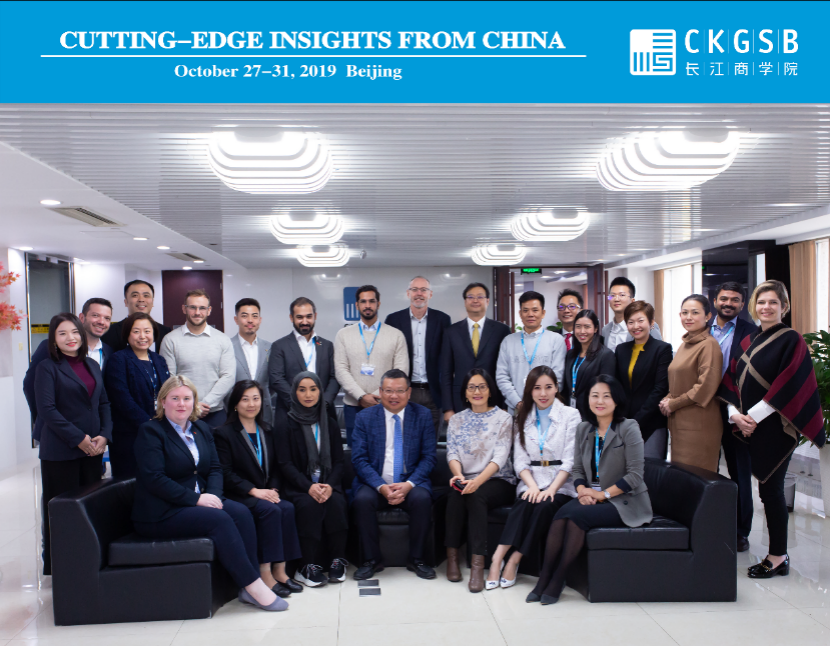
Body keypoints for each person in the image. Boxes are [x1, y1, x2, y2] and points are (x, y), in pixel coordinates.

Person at [132, 375, 288, 611]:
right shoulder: (151, 431)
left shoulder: (201, 429)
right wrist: (196, 499)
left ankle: (248, 584)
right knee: (219, 519)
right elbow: (154, 479)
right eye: (175, 398)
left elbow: (215, 468)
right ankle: (253, 586)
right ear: (163, 401)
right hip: (162, 511)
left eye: (187, 398)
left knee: (241, 512)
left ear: (194, 402)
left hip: (198, 501)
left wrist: (213, 496)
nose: (181, 404)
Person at [719, 280, 825, 579]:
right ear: (755, 306)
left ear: (784, 307)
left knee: (771, 490)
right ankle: (777, 554)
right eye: (762, 302)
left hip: (776, 427)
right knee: (763, 490)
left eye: (773, 303)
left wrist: (752, 417)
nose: (766, 307)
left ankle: (777, 557)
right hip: (747, 425)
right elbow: (730, 382)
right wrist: (735, 415)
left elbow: (790, 384)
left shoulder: (792, 340)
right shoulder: (748, 340)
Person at [528, 375, 652, 604]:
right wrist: (583, 490)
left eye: (606, 396)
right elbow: (577, 469)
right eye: (595, 396)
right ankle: (544, 578)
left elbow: (635, 475)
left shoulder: (629, 427)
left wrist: (602, 494)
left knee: (576, 518)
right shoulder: (584, 428)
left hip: (623, 500)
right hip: (590, 495)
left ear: (616, 400)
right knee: (561, 516)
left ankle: (558, 579)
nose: (600, 401)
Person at [487, 366, 581, 591]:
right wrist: (532, 486)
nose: (543, 393)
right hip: (532, 480)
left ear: (556, 388)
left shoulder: (571, 415)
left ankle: (514, 559)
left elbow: (570, 460)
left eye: (548, 387)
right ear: (530, 391)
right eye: (537, 388)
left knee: (544, 505)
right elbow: (520, 461)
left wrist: (551, 490)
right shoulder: (523, 416)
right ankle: (497, 558)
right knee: (524, 503)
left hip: (561, 483)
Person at [34, 312, 112, 575]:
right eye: (62, 333)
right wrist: (78, 439)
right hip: (60, 451)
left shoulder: (92, 365)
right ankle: (60, 568)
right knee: (62, 512)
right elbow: (47, 410)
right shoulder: (47, 367)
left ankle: (86, 563)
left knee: (88, 508)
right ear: (53, 339)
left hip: (92, 450)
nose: (71, 338)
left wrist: (105, 434)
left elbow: (103, 403)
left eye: (75, 332)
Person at [213, 380, 302, 598]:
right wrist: (254, 491)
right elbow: (225, 473)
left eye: (256, 399)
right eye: (245, 399)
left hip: (265, 491)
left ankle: (281, 571)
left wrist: (274, 489)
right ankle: (264, 574)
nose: (251, 404)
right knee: (269, 510)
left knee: (287, 507)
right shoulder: (224, 433)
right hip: (240, 494)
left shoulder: (267, 430)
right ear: (235, 403)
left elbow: (277, 467)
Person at [350, 369, 437, 581]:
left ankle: (417, 559)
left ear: (409, 392)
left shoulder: (423, 415)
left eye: (400, 391)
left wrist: (409, 484)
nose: (394, 396)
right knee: (362, 500)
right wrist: (381, 486)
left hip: (410, 482)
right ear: (380, 392)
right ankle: (371, 560)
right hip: (375, 484)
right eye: (388, 391)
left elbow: (429, 457)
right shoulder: (364, 417)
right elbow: (359, 459)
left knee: (422, 499)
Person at [276, 372, 349, 587]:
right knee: (309, 506)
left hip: (327, 483)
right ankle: (306, 566)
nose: (308, 395)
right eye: (302, 389)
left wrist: (330, 486)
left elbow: (339, 461)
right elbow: (285, 464)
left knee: (336, 502)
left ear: (320, 392)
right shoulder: (285, 423)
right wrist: (309, 487)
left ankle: (337, 561)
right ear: (294, 393)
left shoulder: (330, 422)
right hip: (299, 486)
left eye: (313, 389)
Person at [444, 369, 515, 592]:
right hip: (466, 478)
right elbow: (452, 452)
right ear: (465, 393)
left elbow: (500, 457)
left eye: (482, 386)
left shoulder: (503, 418)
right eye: (472, 387)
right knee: (455, 495)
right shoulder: (456, 420)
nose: (477, 391)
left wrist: (477, 481)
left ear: (490, 391)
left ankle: (477, 565)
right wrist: (458, 475)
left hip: (498, 479)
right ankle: (452, 557)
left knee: (476, 496)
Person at [710, 282, 758, 553]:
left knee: (739, 471)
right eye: (724, 298)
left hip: (736, 411)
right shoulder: (701, 329)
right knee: (706, 468)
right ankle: (709, 523)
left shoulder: (752, 333)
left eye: (735, 299)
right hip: (704, 409)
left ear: (742, 304)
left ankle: (740, 530)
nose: (728, 303)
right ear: (715, 300)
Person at [334, 285, 409, 446]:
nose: (367, 305)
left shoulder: (396, 335)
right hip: (353, 406)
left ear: (378, 304)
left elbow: (401, 371)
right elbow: (340, 369)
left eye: (371, 301)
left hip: (386, 405)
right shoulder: (343, 335)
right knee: (357, 453)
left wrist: (377, 397)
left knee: (386, 451)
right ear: (357, 305)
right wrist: (361, 396)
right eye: (363, 301)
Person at [24, 298, 114, 430]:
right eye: (95, 315)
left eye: (107, 318)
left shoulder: (109, 351)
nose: (101, 321)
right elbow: (29, 385)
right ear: (82, 317)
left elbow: (102, 398)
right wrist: (42, 419)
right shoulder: (49, 348)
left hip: (92, 430)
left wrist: (104, 431)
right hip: (55, 430)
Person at [659, 295, 723, 471]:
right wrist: (667, 398)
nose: (688, 317)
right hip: (680, 422)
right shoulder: (685, 344)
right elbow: (679, 381)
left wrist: (673, 403)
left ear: (708, 316)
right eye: (684, 313)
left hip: (699, 425)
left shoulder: (709, 345)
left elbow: (705, 386)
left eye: (695, 313)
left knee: (697, 476)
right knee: (682, 477)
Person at [104, 312, 171, 479]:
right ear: (127, 334)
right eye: (136, 331)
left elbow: (167, 392)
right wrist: (149, 423)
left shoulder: (159, 360)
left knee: (157, 478)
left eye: (147, 331)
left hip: (159, 431)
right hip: (129, 435)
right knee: (130, 482)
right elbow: (122, 399)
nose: (142, 336)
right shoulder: (118, 359)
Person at [160, 289, 235, 428]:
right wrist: (191, 405)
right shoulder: (170, 340)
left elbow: (228, 376)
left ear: (209, 310)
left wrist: (205, 403)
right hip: (181, 413)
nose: (197, 312)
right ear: (184, 309)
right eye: (192, 307)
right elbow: (169, 379)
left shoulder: (223, 340)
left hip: (214, 413)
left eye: (202, 308)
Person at [384, 276, 452, 432]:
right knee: (405, 437)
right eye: (415, 289)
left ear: (430, 294)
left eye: (423, 290)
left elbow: (447, 358)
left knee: (431, 441)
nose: (419, 293)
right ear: (408, 293)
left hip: (434, 392)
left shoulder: (442, 320)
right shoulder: (393, 320)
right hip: (405, 391)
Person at [440, 282, 512, 418]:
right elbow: (446, 373)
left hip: (494, 400)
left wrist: (504, 405)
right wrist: (448, 408)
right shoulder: (451, 332)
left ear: (487, 301)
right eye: (470, 297)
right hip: (460, 401)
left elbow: (507, 371)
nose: (475, 300)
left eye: (480, 297)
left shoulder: (501, 330)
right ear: (465, 302)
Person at [614, 301, 673, 460]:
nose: (636, 326)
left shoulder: (662, 349)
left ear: (651, 322)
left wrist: (636, 421)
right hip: (624, 422)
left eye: (641, 321)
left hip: (652, 422)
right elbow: (617, 386)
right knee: (624, 469)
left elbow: (660, 389)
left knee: (650, 469)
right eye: (631, 322)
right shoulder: (621, 350)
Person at [496, 291, 566, 414]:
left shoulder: (556, 340)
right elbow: (502, 377)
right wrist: (518, 402)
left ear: (543, 313)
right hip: (516, 410)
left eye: (535, 310)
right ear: (520, 313)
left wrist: (541, 402)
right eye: (525, 310)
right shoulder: (508, 341)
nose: (530, 314)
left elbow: (558, 377)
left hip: (547, 409)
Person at [269, 296, 339, 412]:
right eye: (299, 317)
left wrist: (324, 403)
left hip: (323, 412)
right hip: (291, 411)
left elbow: (334, 378)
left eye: (309, 316)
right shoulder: (279, 346)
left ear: (315, 316)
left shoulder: (327, 346)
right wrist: (298, 403)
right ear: (291, 318)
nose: (305, 322)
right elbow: (276, 379)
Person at [227, 298, 275, 427]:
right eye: (244, 316)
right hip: (235, 413)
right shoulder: (227, 347)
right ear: (236, 319)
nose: (250, 320)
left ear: (260, 320)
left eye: (254, 316)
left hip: (264, 413)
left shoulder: (270, 348)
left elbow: (273, 382)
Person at [562, 310, 616, 421]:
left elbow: (606, 391)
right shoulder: (571, 354)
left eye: (587, 327)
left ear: (596, 329)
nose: (582, 331)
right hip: (570, 414)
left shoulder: (606, 355)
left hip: (592, 415)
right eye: (578, 327)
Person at [102, 280, 172, 353]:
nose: (141, 300)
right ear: (126, 302)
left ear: (152, 302)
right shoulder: (109, 332)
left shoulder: (166, 332)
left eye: (146, 295)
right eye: (135, 295)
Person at [601, 277, 662, 352]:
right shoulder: (606, 330)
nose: (616, 299)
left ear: (632, 301)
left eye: (622, 295)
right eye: (612, 296)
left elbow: (658, 352)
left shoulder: (646, 326)